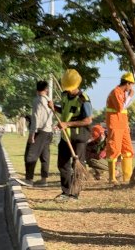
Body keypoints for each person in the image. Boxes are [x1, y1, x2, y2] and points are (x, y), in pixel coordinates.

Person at [55, 69, 93, 201]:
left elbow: (88, 120)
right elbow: (64, 111)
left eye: (71, 88)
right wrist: (54, 107)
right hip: (65, 136)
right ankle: (65, 192)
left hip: (79, 137)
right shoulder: (64, 95)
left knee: (77, 166)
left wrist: (68, 124)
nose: (69, 90)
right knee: (62, 165)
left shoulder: (83, 99)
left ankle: (74, 194)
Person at [105, 72, 135, 185]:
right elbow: (120, 107)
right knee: (114, 149)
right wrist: (130, 96)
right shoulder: (116, 92)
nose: (131, 87)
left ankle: (127, 178)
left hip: (123, 125)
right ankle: (112, 178)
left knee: (128, 150)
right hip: (115, 124)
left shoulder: (122, 93)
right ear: (127, 83)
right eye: (131, 85)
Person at [23, 81, 54, 187]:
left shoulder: (37, 100)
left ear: (36, 90)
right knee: (45, 155)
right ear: (47, 90)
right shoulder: (50, 101)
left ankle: (29, 179)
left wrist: (32, 134)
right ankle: (44, 180)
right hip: (48, 131)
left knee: (30, 154)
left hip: (40, 131)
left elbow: (36, 118)